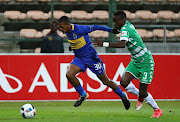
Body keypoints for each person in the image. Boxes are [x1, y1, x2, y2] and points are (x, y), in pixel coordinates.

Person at [93, 10, 162, 118]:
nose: (115, 24)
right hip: (135, 60)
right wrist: (114, 30)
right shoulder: (127, 25)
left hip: (146, 62)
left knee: (144, 92)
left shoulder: (125, 28)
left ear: (122, 20)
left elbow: (122, 44)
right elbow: (122, 31)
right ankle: (140, 96)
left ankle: (157, 110)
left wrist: (104, 44)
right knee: (124, 82)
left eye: (116, 22)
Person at [58, 16, 130, 110]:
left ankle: (122, 95)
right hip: (80, 59)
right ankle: (83, 95)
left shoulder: (80, 29)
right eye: (60, 27)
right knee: (69, 74)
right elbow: (79, 40)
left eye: (62, 27)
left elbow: (95, 26)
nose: (61, 29)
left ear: (68, 25)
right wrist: (73, 46)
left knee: (106, 81)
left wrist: (111, 30)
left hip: (92, 58)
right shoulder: (68, 31)